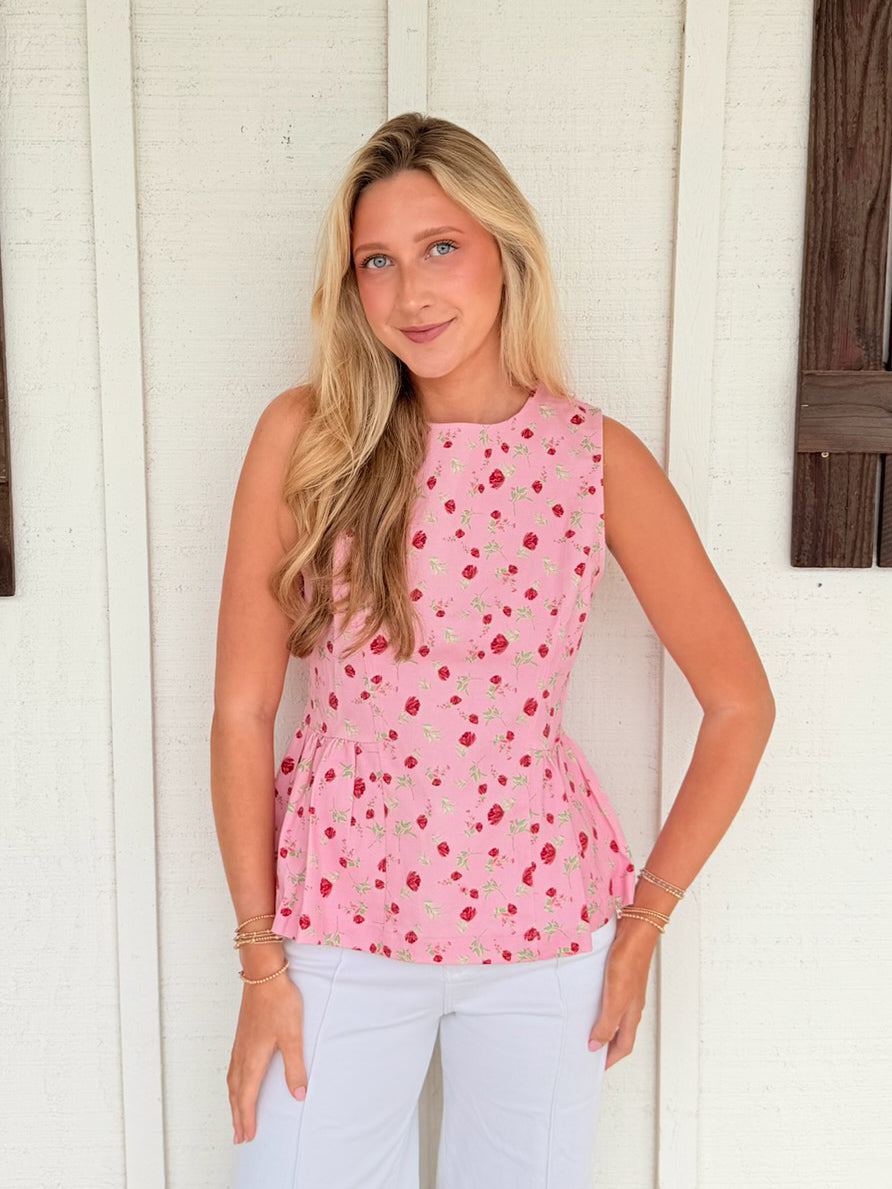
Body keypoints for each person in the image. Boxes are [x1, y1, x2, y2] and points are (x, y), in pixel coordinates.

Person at [210, 112, 775, 1189]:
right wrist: (258, 959)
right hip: (338, 919)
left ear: (505, 251)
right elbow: (241, 711)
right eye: (377, 261)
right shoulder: (308, 437)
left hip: (542, 933)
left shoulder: (593, 457)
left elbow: (741, 703)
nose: (410, 294)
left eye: (441, 248)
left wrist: (642, 927)